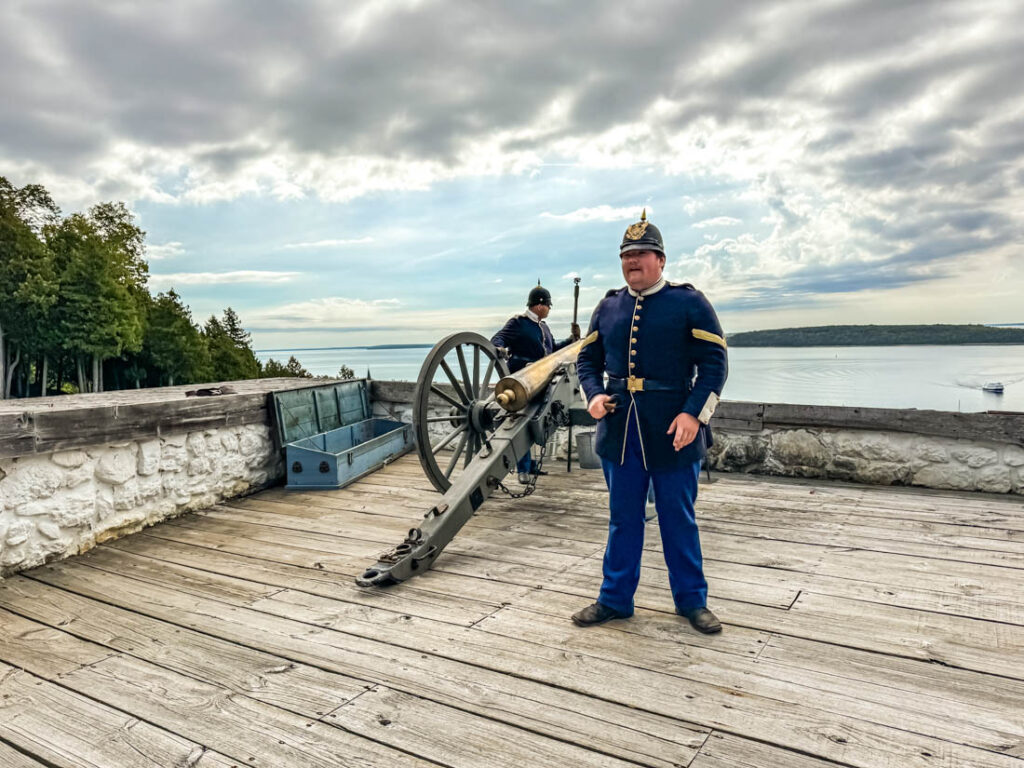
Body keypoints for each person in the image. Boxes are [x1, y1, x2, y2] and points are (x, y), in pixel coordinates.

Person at [572, 210, 728, 634]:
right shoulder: (608, 306)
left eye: (641, 254)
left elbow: (715, 366)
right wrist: (594, 394)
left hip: (673, 430)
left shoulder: (689, 303)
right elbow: (588, 360)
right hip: (620, 431)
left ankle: (692, 602)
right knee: (623, 518)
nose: (632, 262)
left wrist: (693, 415)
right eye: (626, 255)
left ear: (661, 259)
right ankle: (615, 599)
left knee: (679, 518)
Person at [492, 283, 580, 482]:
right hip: (521, 382)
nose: (549, 309)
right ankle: (522, 469)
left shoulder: (543, 327)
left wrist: (572, 339)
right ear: (540, 305)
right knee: (519, 426)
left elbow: (552, 351)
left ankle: (530, 465)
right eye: (549, 306)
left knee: (532, 425)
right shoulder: (518, 323)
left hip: (542, 382)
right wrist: (500, 349)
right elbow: (498, 339)